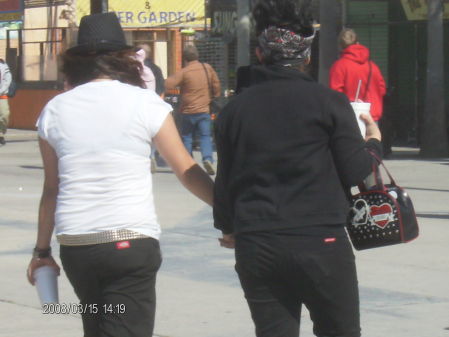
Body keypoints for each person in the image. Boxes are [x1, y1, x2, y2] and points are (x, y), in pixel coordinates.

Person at [26, 12, 214, 337]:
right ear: (126, 58)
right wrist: (229, 213)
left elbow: (52, 189)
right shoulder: (144, 103)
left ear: (76, 61)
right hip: (129, 243)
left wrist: (42, 252)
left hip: (76, 245)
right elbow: (186, 170)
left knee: (97, 326)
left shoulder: (55, 109)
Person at [213, 1, 382, 337]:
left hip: (258, 243)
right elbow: (359, 174)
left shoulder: (234, 110)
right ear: (306, 58)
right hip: (321, 239)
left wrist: (229, 226)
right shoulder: (330, 103)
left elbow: (226, 179)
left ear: (260, 54)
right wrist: (374, 141)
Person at [165, 44, 221, 176]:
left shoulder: (185, 72)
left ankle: (189, 163)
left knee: (187, 137)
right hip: (204, 109)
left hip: (187, 111)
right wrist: (215, 95)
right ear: (197, 56)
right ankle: (207, 159)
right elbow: (216, 84)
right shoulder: (207, 68)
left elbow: (168, 84)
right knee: (205, 136)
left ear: (185, 58)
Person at [329, 28, 386, 123]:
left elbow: (335, 94)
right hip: (371, 116)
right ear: (358, 43)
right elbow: (382, 90)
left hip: (349, 117)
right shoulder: (373, 66)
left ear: (340, 46)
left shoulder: (339, 66)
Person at [0, 59, 12, 146]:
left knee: (5, 115)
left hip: (1, 95)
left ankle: (1, 132)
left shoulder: (2, 64)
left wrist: (2, 90)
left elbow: (8, 78)